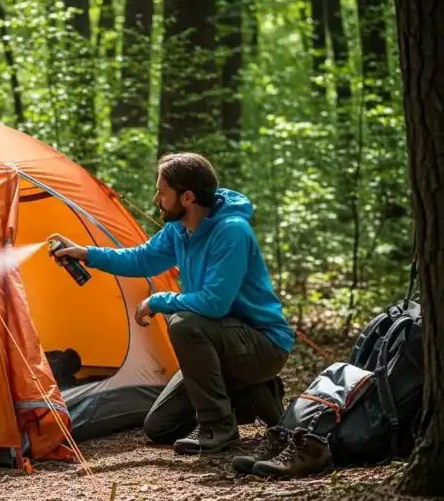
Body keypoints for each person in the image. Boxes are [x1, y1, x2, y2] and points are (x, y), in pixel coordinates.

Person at [49, 152, 294, 455]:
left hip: (262, 345)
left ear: (187, 197)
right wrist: (85, 254)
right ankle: (255, 394)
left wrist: (159, 300)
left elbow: (214, 304)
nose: (156, 199)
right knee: (160, 427)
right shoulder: (179, 230)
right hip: (222, 342)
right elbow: (141, 258)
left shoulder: (231, 231)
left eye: (162, 192)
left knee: (184, 324)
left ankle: (218, 427)